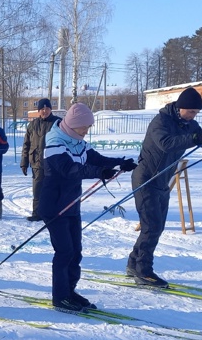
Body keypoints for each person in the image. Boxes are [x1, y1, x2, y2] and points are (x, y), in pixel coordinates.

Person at [127, 87, 202, 287]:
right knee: (152, 226)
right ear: (180, 107)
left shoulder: (189, 125)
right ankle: (143, 271)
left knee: (156, 227)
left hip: (163, 180)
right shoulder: (161, 121)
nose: (193, 116)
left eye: (196, 113)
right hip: (146, 179)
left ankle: (134, 263)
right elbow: (166, 143)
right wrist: (193, 138)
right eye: (191, 112)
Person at [40, 103, 136, 311]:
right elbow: (70, 169)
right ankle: (60, 297)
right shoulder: (55, 142)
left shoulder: (79, 142)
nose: (87, 131)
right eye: (84, 127)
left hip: (72, 203)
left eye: (88, 128)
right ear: (73, 125)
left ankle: (69, 291)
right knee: (64, 251)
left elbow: (96, 159)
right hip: (54, 205)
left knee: (76, 251)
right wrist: (99, 172)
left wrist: (120, 163)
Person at [21, 98, 61, 221]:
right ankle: (37, 213)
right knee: (37, 189)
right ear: (38, 111)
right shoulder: (32, 125)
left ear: (51, 109)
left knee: (52, 189)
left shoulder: (58, 123)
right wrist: (24, 162)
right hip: (37, 162)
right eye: (42, 109)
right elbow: (26, 145)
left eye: (47, 108)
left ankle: (53, 214)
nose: (45, 111)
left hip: (53, 163)